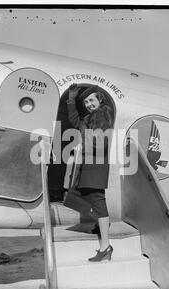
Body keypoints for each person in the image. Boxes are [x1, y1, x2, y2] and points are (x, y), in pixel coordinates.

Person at [66, 84, 114, 262]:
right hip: (88, 165)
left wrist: (83, 142)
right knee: (78, 195)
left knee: (97, 202)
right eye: (86, 101)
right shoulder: (88, 118)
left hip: (96, 166)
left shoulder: (102, 113)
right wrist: (72, 99)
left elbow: (102, 142)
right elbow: (75, 121)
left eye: (91, 100)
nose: (88, 104)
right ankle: (102, 223)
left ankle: (105, 247)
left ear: (99, 100)